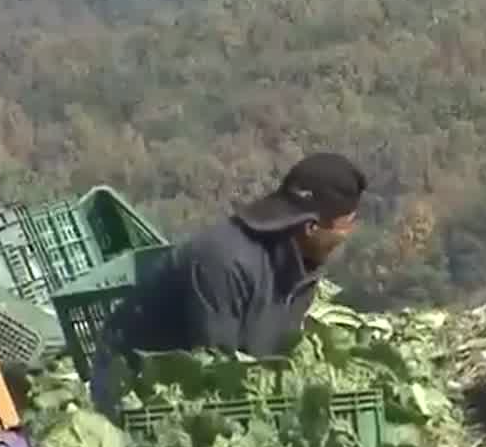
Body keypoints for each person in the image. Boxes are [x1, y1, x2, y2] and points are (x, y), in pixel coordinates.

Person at [89, 153, 367, 414]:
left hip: (200, 393)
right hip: (134, 391)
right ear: (311, 228)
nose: (348, 236)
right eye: (346, 226)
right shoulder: (224, 261)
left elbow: (269, 358)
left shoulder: (300, 269)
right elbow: (215, 368)